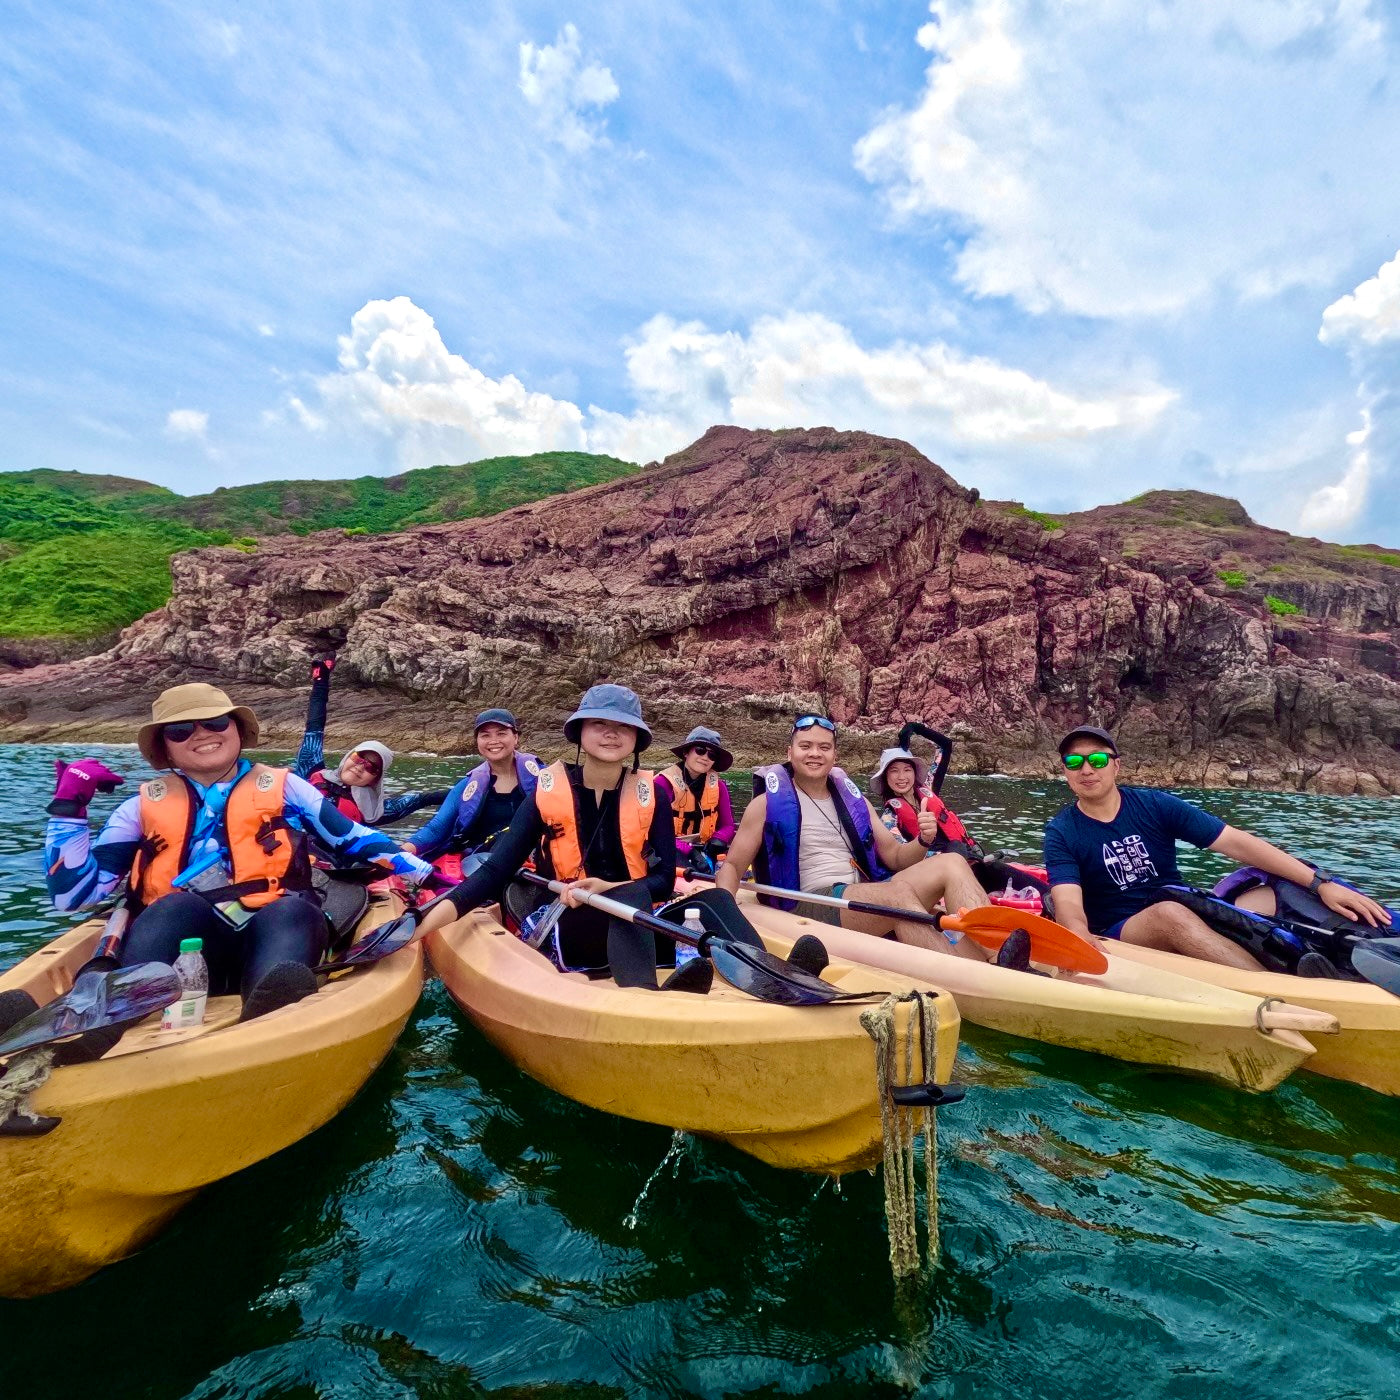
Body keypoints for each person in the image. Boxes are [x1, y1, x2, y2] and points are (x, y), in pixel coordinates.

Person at [44, 683, 437, 1021]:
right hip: (183, 952)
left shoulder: (286, 787)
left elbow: (353, 839)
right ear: (163, 747)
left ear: (236, 729)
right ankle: (114, 1016)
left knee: (293, 908)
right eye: (180, 730)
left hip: (276, 938)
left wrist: (428, 876)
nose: (201, 735)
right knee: (174, 907)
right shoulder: (139, 807)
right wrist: (68, 809)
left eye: (215, 723)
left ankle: (270, 1013)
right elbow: (73, 897)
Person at [417, 685, 710, 990]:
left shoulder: (654, 795)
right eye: (599, 724)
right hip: (566, 920)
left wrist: (609, 888)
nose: (611, 734)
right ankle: (642, 998)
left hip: (635, 922)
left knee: (716, 900)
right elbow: (494, 872)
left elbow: (663, 880)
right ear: (580, 732)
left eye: (623, 726)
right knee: (631, 894)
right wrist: (419, 924)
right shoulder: (546, 792)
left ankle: (760, 985)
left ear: (636, 738)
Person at [1043, 725, 1390, 971]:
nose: (1087, 769)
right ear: (1066, 772)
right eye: (1075, 763)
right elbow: (1068, 900)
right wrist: (1076, 930)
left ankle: (1370, 946)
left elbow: (1237, 842)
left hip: (1182, 902)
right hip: (1124, 927)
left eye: (1098, 760)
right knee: (1169, 915)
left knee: (1278, 888)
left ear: (1116, 765)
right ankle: (1281, 989)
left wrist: (1320, 882)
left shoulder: (1154, 805)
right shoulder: (1062, 831)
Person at [717, 715, 1013, 965]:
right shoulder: (766, 805)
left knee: (952, 862)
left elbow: (896, 857)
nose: (814, 754)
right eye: (805, 746)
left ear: (835, 755)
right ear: (790, 751)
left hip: (860, 895)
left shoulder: (855, 803)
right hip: (809, 901)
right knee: (896, 898)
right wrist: (724, 910)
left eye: (824, 747)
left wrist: (923, 840)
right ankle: (964, 975)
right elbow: (732, 865)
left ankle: (1000, 956)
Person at [294, 656, 445, 825]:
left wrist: (477, 788)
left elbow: (425, 799)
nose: (360, 767)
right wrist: (321, 681)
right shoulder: (311, 771)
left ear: (375, 780)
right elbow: (315, 725)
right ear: (349, 757)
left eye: (371, 768)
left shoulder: (374, 811)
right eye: (359, 758)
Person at [402, 709, 542, 875]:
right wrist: (400, 852)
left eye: (501, 733)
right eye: (485, 735)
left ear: (516, 737)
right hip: (479, 865)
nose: (493, 741)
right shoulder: (467, 786)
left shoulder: (543, 777)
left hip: (532, 862)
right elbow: (437, 829)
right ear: (477, 741)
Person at [655, 726, 737, 871]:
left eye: (712, 755)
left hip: (706, 848)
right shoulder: (663, 783)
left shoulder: (719, 786)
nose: (705, 757)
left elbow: (728, 826)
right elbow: (654, 831)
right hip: (669, 848)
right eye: (700, 750)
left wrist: (719, 838)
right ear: (686, 752)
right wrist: (689, 851)